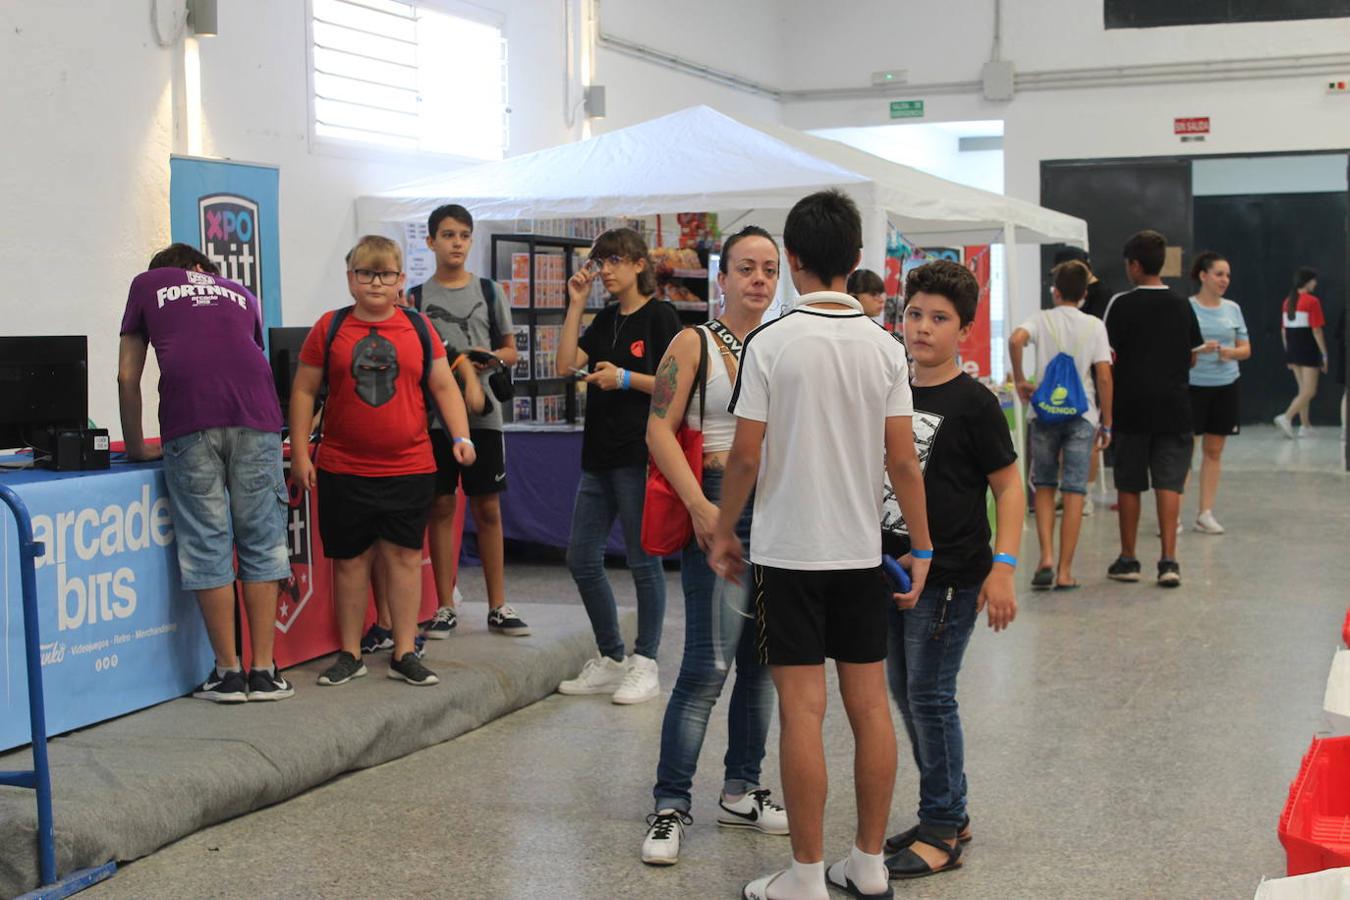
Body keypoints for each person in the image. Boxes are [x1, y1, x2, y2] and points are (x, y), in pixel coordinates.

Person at [710, 189, 933, 900]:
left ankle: (805, 876)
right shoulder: (885, 346)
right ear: (857, 259)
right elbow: (903, 462)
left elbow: (744, 457)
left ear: (794, 261)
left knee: (801, 712)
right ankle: (867, 865)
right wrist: (922, 547)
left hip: (787, 555)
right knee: (870, 707)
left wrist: (722, 529)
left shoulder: (771, 344)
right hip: (861, 554)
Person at [640, 227, 789, 866]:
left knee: (761, 664)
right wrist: (703, 506)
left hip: (779, 510)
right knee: (707, 663)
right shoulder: (693, 341)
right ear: (721, 278)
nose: (758, 279)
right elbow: (659, 428)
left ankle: (742, 787)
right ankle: (671, 803)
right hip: (717, 498)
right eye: (746, 268)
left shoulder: (785, 345)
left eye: (769, 269)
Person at [880, 258, 1022, 881]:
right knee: (907, 694)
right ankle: (950, 810)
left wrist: (1005, 568)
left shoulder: (975, 402)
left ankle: (942, 828)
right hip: (891, 570)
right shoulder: (891, 388)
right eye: (914, 314)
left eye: (939, 318)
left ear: (963, 329)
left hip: (953, 575)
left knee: (931, 697)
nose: (922, 327)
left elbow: (1011, 488)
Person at [289, 235, 476, 687]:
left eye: (385, 274)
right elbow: (303, 390)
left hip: (409, 466)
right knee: (350, 561)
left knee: (404, 558)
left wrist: (461, 435)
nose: (376, 283)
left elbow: (444, 386)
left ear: (400, 280)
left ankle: (404, 649)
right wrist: (299, 452)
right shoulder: (329, 327)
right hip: (341, 467)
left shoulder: (418, 328)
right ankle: (350, 653)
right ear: (350, 279)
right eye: (365, 273)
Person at [118, 243, 294, 703]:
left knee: (207, 542)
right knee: (262, 540)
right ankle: (265, 671)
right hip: (258, 419)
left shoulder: (146, 283)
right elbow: (247, 356)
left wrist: (136, 448)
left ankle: (228, 673)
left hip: (190, 419)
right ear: (202, 269)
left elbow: (126, 376)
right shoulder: (240, 291)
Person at [555, 228, 683, 705]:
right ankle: (611, 658)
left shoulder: (661, 317)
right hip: (598, 456)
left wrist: (625, 377)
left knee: (643, 560)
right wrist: (575, 304)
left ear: (637, 264)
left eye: (613, 261)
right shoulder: (606, 317)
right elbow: (565, 363)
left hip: (639, 455)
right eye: (600, 262)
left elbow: (677, 387)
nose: (604, 270)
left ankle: (645, 660)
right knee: (581, 557)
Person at [414, 204, 530, 639]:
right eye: (447, 235)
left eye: (464, 235)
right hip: (435, 421)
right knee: (441, 507)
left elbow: (510, 350)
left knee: (487, 508)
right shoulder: (416, 297)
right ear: (431, 242)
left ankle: (498, 605)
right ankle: (445, 605)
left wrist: (485, 360)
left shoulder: (488, 290)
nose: (457, 242)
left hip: (484, 418)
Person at [362, 287, 485, 656]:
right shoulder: (348, 329)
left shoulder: (419, 328)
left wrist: (468, 409)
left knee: (402, 549)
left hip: (412, 451)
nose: (388, 294)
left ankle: (406, 632)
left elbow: (454, 361)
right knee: (372, 546)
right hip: (364, 459)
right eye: (371, 277)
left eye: (396, 288)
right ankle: (384, 623)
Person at [1103, 230, 1203, 588]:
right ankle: (1168, 561)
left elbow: (1107, 357)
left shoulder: (1121, 304)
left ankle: (1129, 559)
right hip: (1175, 407)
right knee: (1169, 484)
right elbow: (1192, 354)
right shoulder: (1182, 304)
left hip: (1131, 408)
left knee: (1129, 484)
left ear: (1134, 265)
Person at [1009, 259, 1112, 590]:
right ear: (1084, 293)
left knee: (1044, 484)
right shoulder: (1094, 325)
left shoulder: (1040, 319)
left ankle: (1046, 559)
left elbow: (1015, 340)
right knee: (1074, 489)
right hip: (1082, 415)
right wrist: (1107, 423)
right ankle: (1066, 571)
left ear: (1055, 291)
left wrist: (1022, 380)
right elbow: (1105, 377)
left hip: (1044, 413)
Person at [1187, 252, 1251, 534]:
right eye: (1219, 274)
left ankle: (1205, 513)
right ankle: (1172, 514)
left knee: (1214, 450)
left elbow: (1246, 349)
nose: (1225, 280)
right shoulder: (1186, 308)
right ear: (1203, 276)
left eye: (1227, 275)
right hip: (1192, 386)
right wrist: (1198, 350)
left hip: (1225, 386)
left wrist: (1231, 353)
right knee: (1183, 450)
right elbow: (1177, 348)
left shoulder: (1233, 309)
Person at [1275, 267, 1327, 439]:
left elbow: (1284, 332)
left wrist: (1287, 353)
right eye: (1313, 280)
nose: (1315, 283)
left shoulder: (1287, 301)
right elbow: (1317, 330)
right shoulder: (1312, 302)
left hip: (1293, 350)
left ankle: (1305, 426)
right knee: (1310, 390)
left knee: (1302, 390)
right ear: (1307, 282)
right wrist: (1324, 354)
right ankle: (1287, 417)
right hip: (1308, 350)